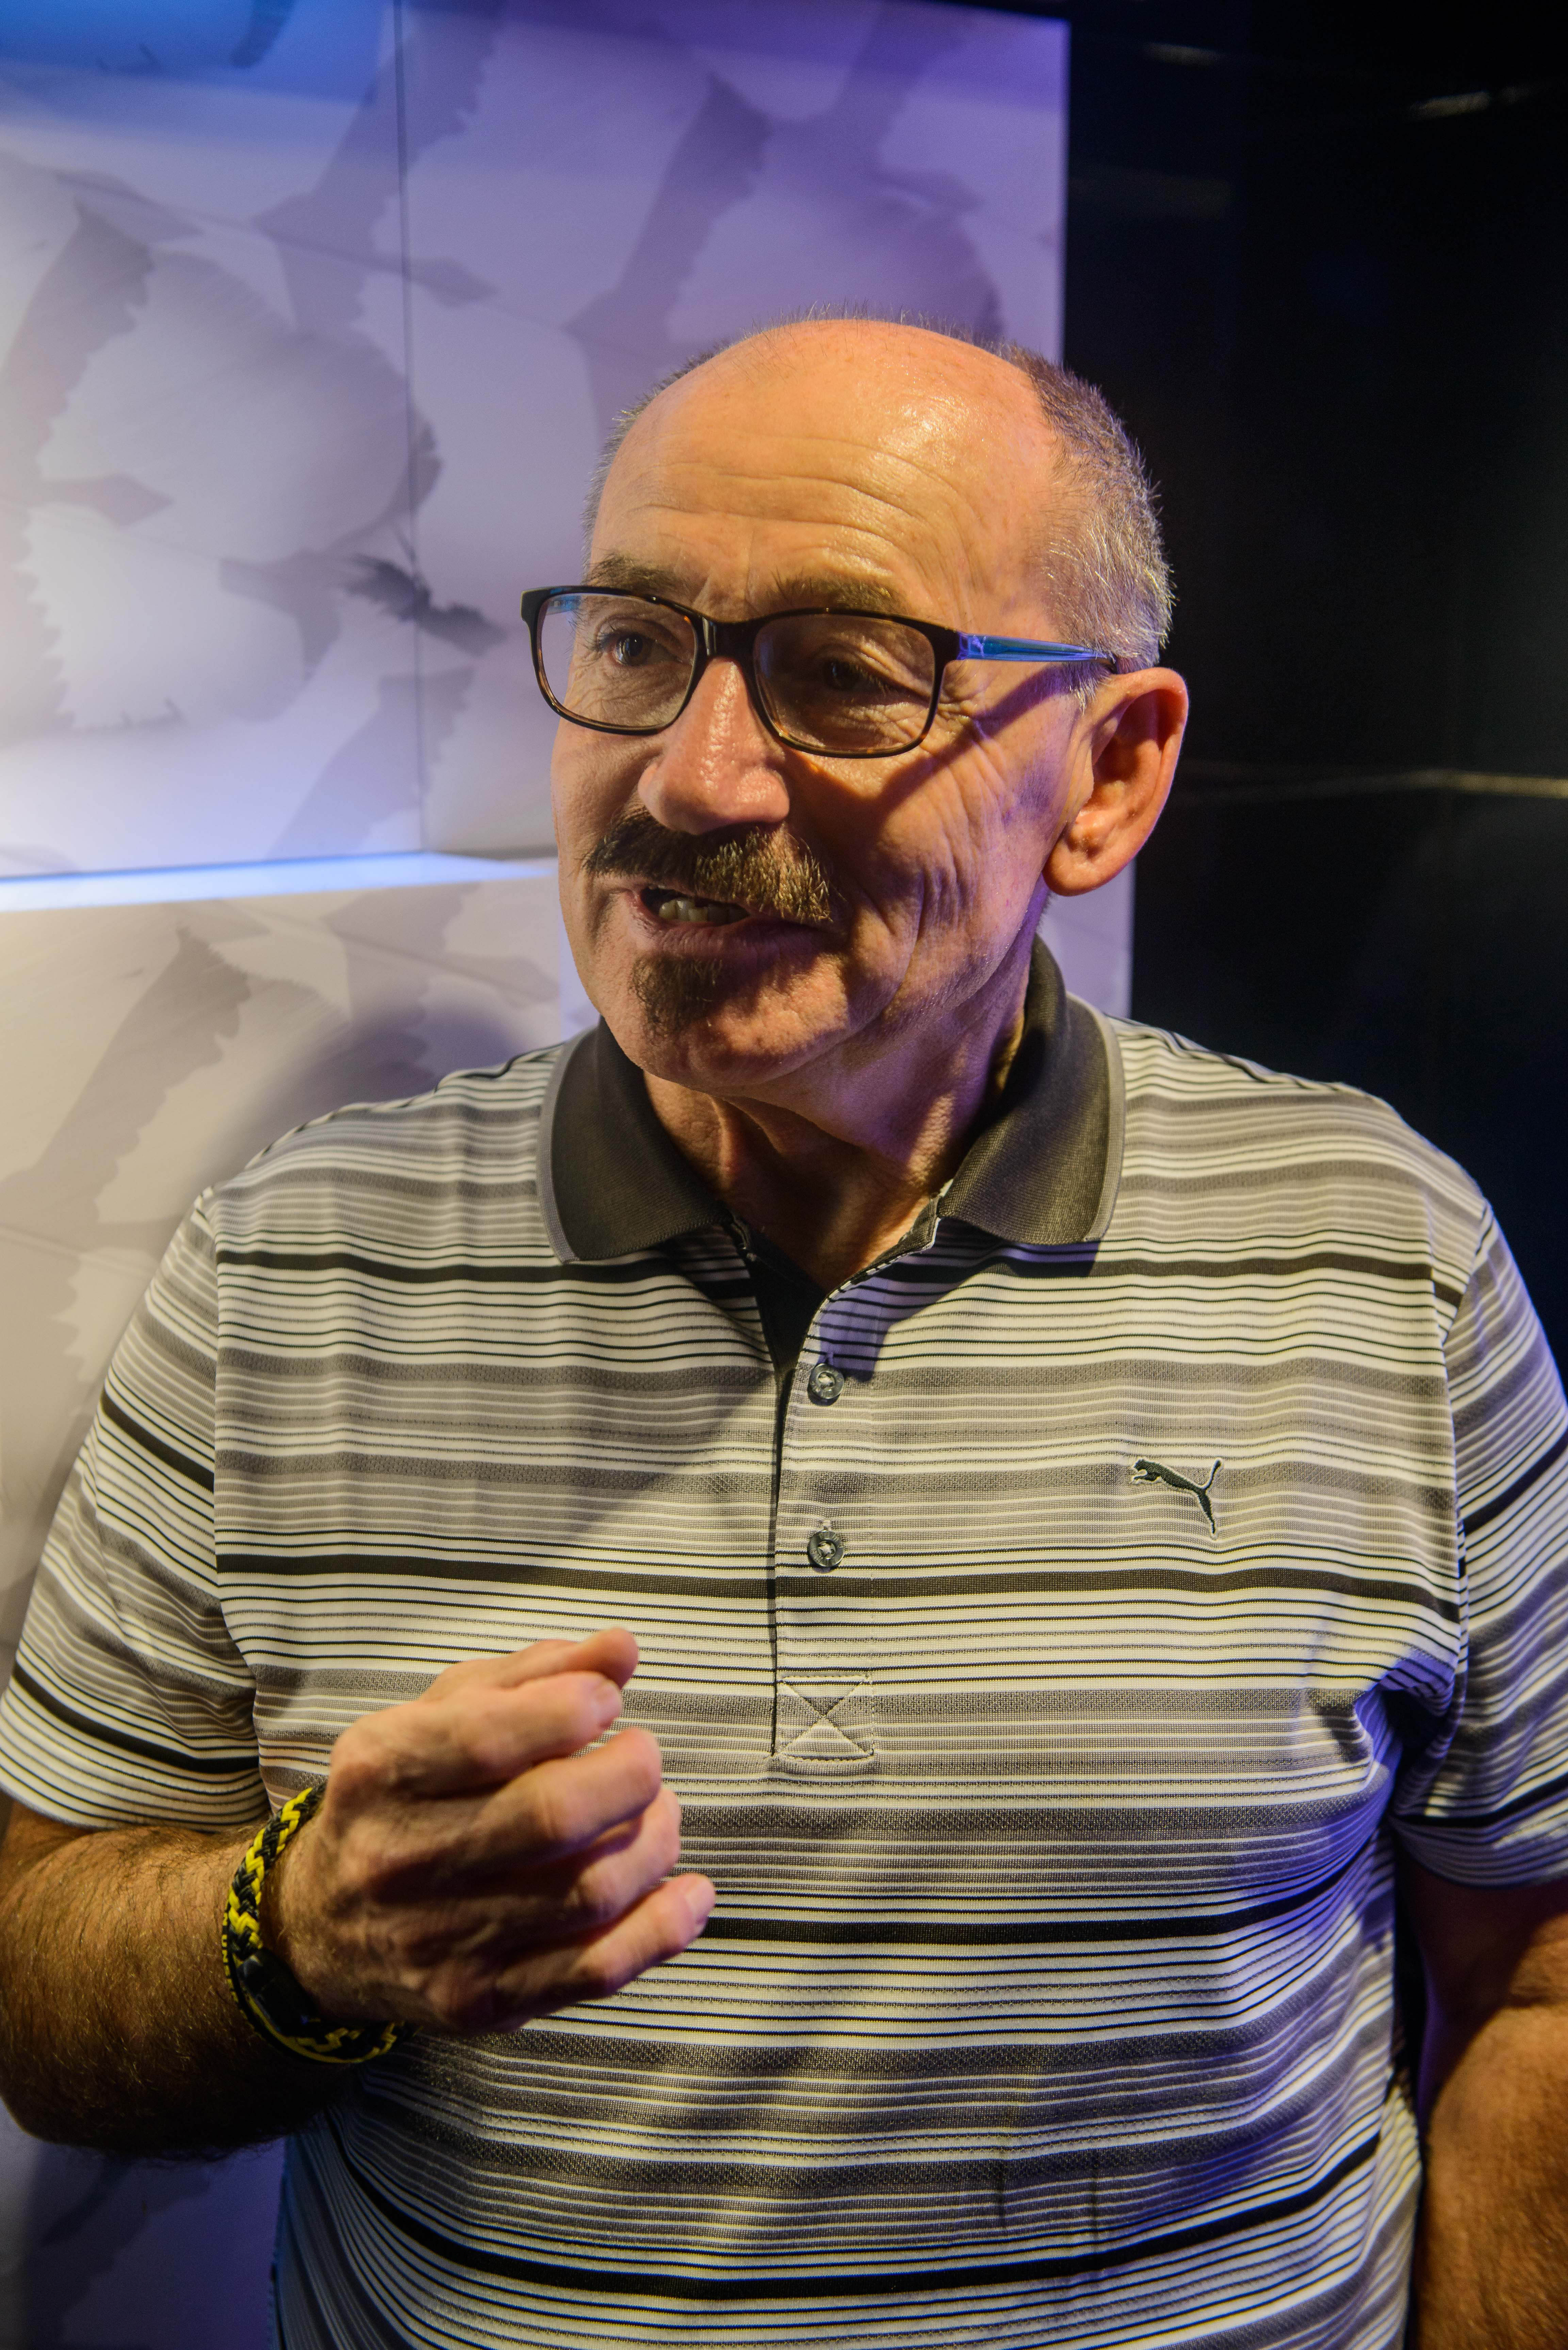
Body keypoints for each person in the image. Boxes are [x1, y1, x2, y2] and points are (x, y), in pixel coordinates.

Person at [0, 316, 1565, 2350]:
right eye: (637, 643)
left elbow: (1536, 1968)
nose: (691, 774)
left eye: (844, 672)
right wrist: (293, 1932)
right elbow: (39, 1973)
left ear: (1107, 775)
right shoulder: (291, 1271)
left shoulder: (1381, 1256)